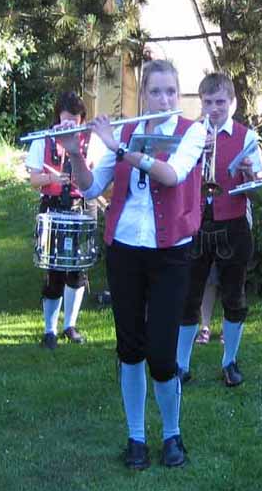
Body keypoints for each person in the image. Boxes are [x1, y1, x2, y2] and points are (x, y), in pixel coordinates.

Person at [66, 59, 206, 470]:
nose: (163, 99)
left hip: (170, 253)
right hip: (125, 248)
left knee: (162, 353)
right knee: (129, 348)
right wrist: (76, 155)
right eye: (156, 91)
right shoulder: (124, 131)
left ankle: (172, 433)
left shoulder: (191, 132)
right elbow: (92, 187)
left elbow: (172, 175)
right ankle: (136, 437)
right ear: (143, 94)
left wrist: (119, 148)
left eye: (170, 92)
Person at [176, 73, 262, 387]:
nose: (214, 108)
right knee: (188, 297)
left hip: (234, 223)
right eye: (208, 102)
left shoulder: (246, 137)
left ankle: (230, 361)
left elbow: (256, 194)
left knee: (234, 296)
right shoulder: (191, 134)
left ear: (232, 103)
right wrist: (197, 154)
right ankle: (180, 365)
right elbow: (176, 180)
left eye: (220, 102)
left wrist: (249, 174)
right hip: (195, 223)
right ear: (201, 103)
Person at [26, 90, 98, 347]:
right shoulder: (42, 140)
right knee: (53, 271)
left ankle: (70, 325)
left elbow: (97, 177)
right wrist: (52, 179)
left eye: (74, 121)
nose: (69, 125)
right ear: (57, 117)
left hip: (82, 206)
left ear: (82, 119)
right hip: (53, 206)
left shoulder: (91, 141)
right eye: (65, 120)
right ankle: (49, 330)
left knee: (78, 270)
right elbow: (34, 179)